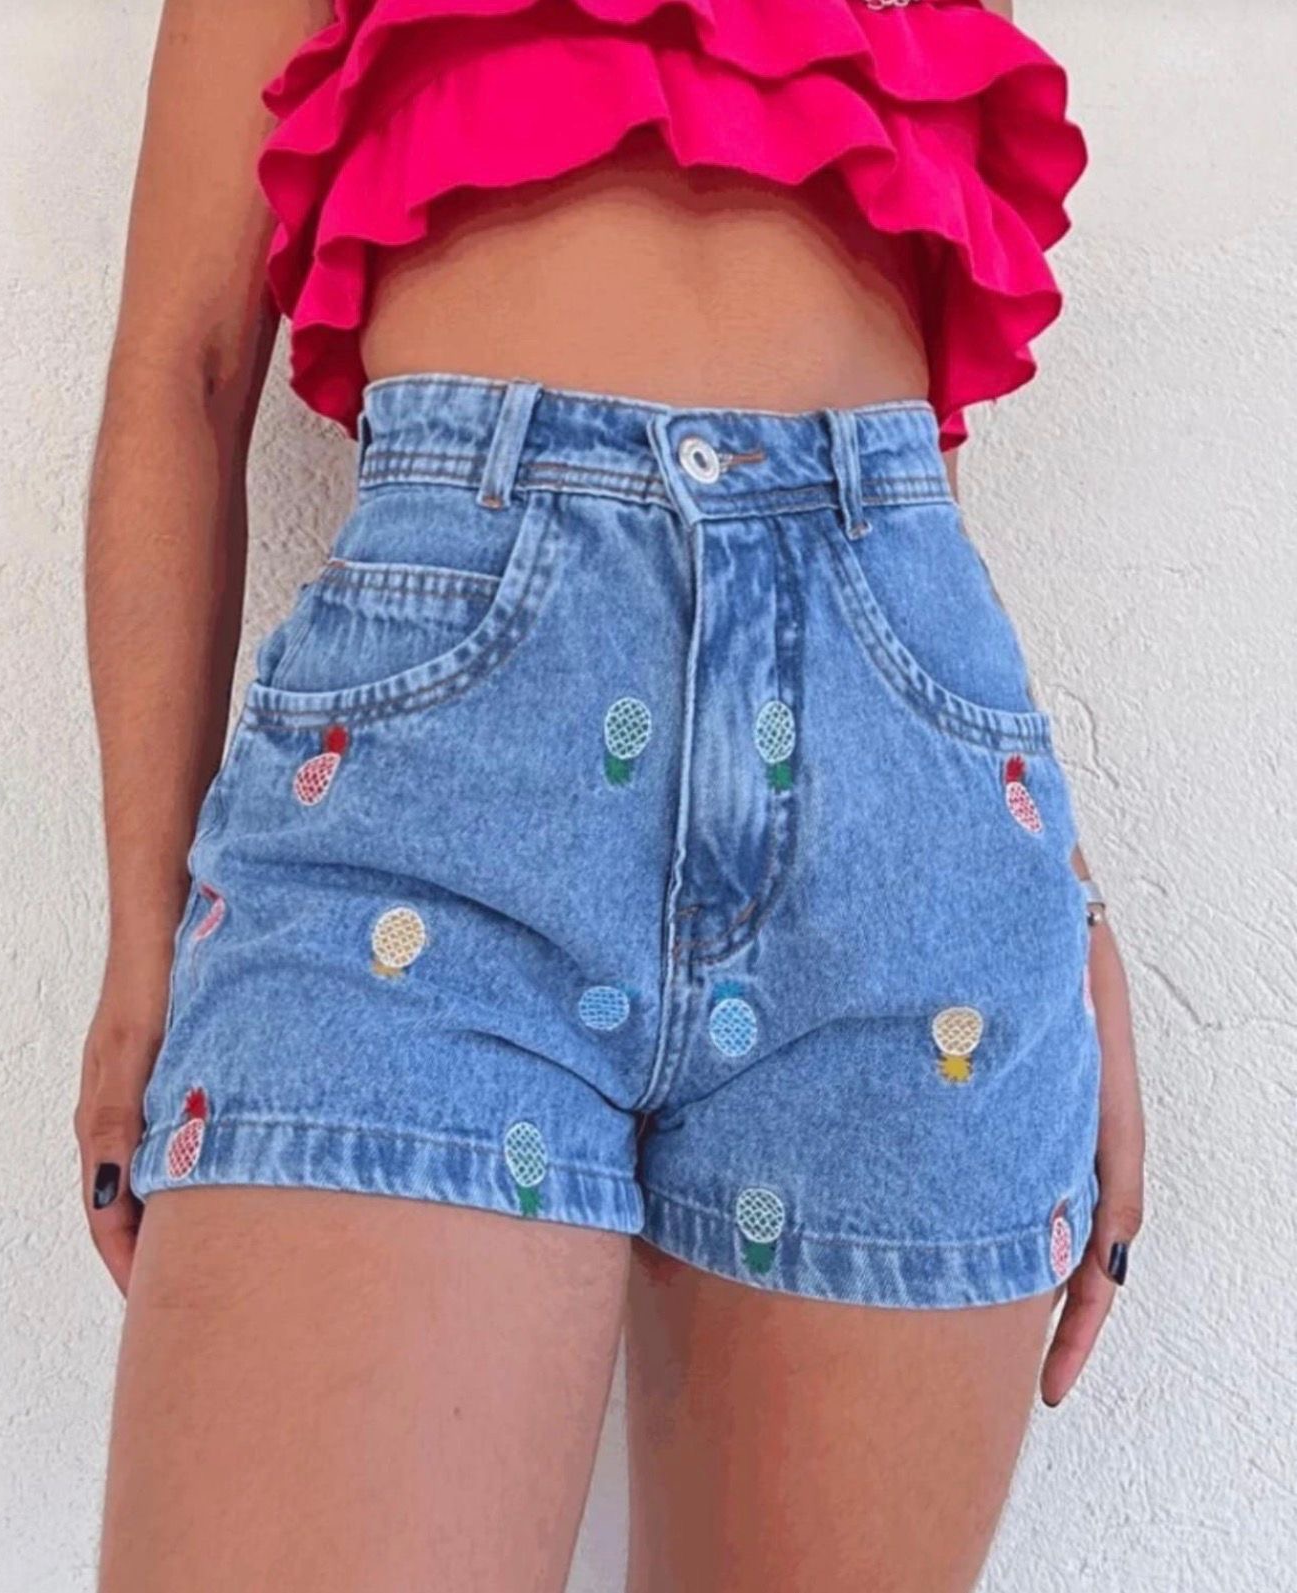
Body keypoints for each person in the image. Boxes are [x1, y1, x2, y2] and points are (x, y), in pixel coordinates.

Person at [80, 0, 1144, 1587]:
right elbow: (187, 368)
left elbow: (908, 475)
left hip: (908, 815)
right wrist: (141, 934)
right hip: (433, 800)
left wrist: (1068, 893)